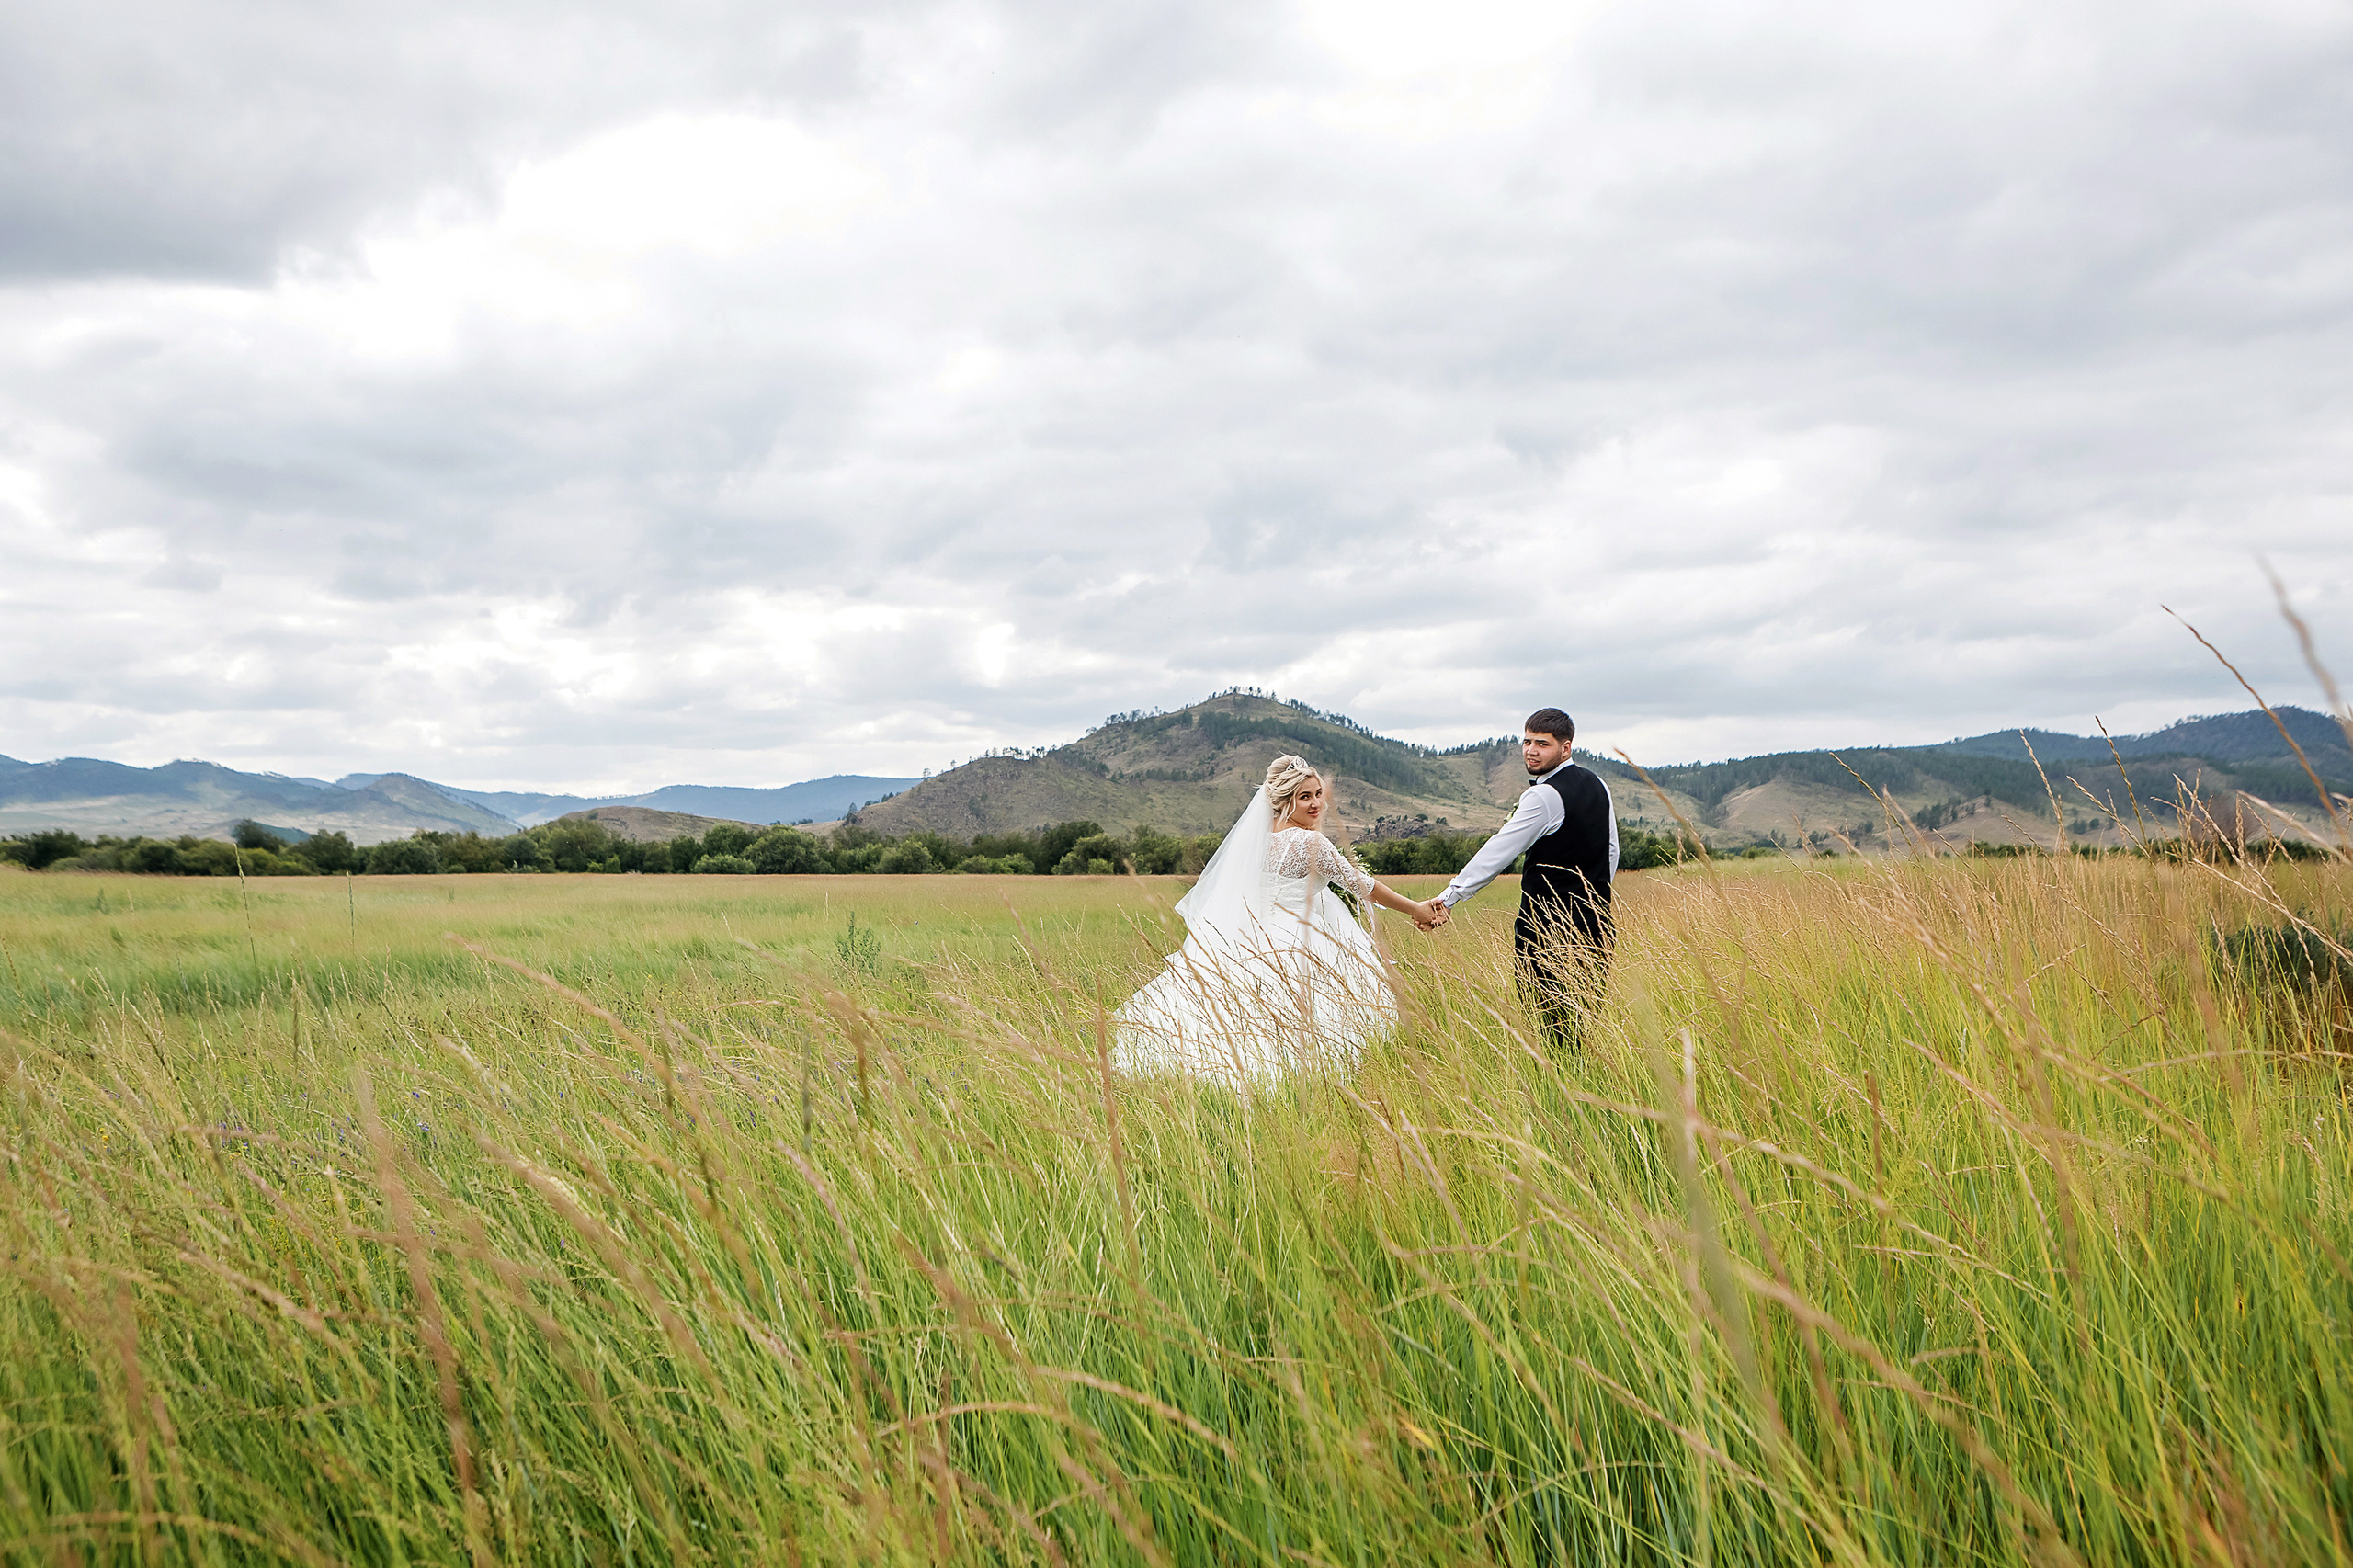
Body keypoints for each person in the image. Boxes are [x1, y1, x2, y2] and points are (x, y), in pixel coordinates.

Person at [1114, 754, 1440, 1087]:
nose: (1316, 804)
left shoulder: (1258, 841)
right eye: (1305, 797)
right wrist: (1415, 908)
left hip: (1253, 937)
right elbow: (1361, 885)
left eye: (1317, 794)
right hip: (1303, 939)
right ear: (1284, 801)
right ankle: (1312, 1082)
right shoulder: (1309, 841)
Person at [1419, 708, 1617, 1046]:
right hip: (1598, 922)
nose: (1531, 750)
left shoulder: (1543, 796)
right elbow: (1611, 850)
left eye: (1543, 743)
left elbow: (1499, 852)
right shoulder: (1598, 785)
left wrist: (1448, 898)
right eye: (1527, 742)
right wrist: (1597, 893)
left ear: (1565, 748)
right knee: (1582, 1020)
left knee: (1547, 1022)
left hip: (1547, 926)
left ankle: (1558, 1089)